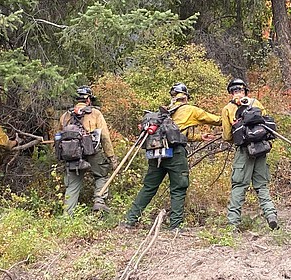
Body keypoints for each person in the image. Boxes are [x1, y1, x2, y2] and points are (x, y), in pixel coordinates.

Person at [123, 83, 220, 230]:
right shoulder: (190, 110)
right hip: (175, 153)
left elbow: (174, 132)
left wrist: (200, 137)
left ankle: (130, 220)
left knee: (148, 187)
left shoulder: (165, 112)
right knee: (178, 188)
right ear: (186, 97)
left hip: (157, 153)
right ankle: (175, 225)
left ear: (173, 96)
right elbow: (215, 120)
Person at [222, 78, 278, 231]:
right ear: (245, 91)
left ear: (231, 92)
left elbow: (227, 136)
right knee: (261, 185)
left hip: (244, 151)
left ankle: (233, 223)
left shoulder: (228, 108)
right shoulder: (256, 103)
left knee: (239, 185)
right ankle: (271, 215)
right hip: (261, 148)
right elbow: (266, 122)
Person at [59, 86, 115, 215]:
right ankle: (99, 202)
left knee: (72, 185)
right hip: (92, 151)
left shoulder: (65, 116)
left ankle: (68, 215)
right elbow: (105, 137)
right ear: (88, 100)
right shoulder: (95, 113)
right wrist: (111, 156)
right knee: (101, 175)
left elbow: (59, 136)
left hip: (72, 154)